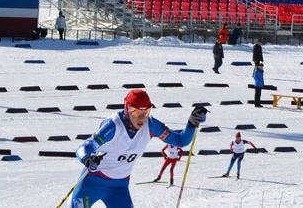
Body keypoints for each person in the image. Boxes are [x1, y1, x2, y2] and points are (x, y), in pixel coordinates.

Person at [71, 89, 207, 207]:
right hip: (92, 183)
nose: (142, 117)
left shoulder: (151, 125)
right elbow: (85, 147)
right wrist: (87, 159)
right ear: (127, 109)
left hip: (119, 188)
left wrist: (192, 123)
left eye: (146, 111)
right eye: (136, 112)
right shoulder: (113, 126)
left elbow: (180, 140)